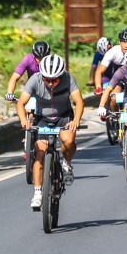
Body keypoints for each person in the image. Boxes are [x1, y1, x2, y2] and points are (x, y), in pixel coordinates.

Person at [16, 54, 85, 210]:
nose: (51, 83)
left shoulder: (68, 78)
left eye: (55, 80)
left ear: (61, 75)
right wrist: (23, 120)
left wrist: (76, 121)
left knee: (68, 140)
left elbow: (79, 101)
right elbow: (21, 103)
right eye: (47, 79)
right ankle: (38, 192)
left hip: (63, 116)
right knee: (40, 152)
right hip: (43, 118)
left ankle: (67, 164)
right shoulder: (35, 79)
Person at [95, 28, 127, 116]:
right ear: (119, 42)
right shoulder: (113, 51)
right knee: (114, 98)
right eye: (123, 42)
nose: (126, 45)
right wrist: (98, 87)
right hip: (119, 81)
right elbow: (99, 71)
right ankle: (115, 118)